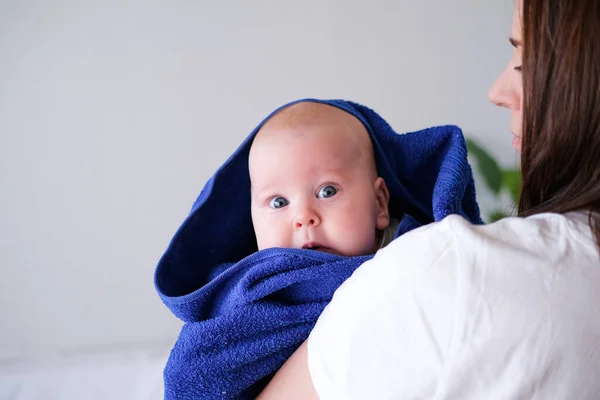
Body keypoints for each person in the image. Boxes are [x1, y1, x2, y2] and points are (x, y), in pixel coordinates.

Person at [258, 0, 600, 398]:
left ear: (381, 203)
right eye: (277, 202)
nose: (497, 91)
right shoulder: (244, 295)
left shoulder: (444, 271)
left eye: (525, 63)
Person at [249, 101, 396, 257]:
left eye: (327, 192)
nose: (304, 217)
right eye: (279, 202)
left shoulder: (409, 258)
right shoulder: (246, 279)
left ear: (378, 203)